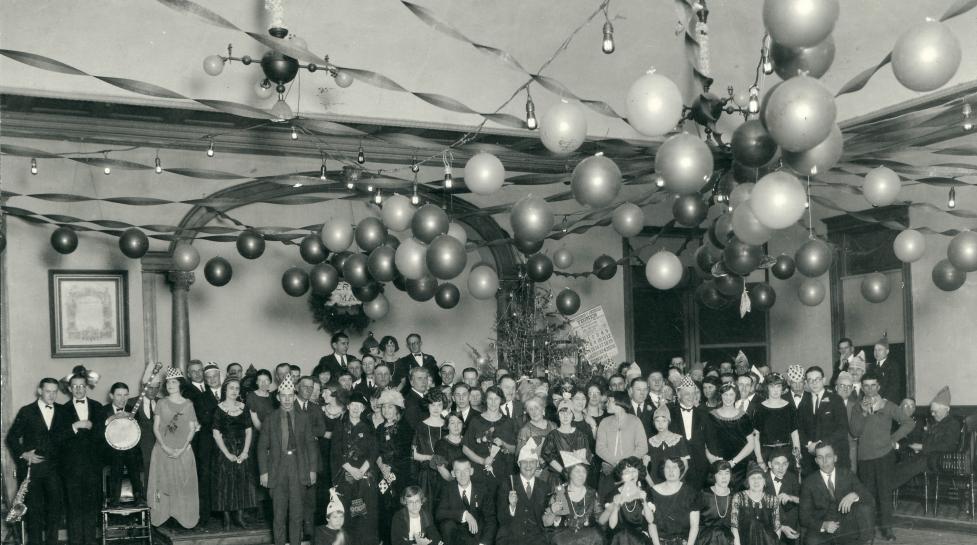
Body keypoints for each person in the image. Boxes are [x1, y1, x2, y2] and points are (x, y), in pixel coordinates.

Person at [847, 371, 914, 541]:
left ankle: (887, 530)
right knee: (867, 496)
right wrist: (862, 412)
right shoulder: (856, 406)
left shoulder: (889, 405)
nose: (869, 389)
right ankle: (867, 531)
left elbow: (909, 423)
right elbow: (855, 431)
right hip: (865, 458)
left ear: (878, 386)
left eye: (873, 385)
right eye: (866, 386)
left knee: (885, 495)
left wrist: (893, 438)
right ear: (862, 387)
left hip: (885, 456)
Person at [258, 375, 320, 545]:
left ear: (294, 396)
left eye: (290, 396)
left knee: (297, 514)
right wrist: (264, 473)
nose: (287, 400)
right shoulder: (270, 419)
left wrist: (312, 470)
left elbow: (310, 446)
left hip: (298, 468)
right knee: (278, 514)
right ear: (278, 397)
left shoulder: (303, 418)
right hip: (277, 469)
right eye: (283, 396)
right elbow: (262, 448)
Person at [7, 377, 69, 545]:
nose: (51, 395)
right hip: (33, 471)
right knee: (34, 514)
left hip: (55, 471)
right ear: (40, 391)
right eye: (48, 391)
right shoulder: (26, 411)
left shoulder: (62, 411)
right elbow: (11, 438)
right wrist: (24, 454)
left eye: (54, 392)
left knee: (55, 513)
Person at [148, 367, 199, 528]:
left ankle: (182, 517)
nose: (170, 385)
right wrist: (165, 447)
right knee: (163, 483)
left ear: (180, 385)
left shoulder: (188, 404)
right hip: (163, 450)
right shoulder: (161, 403)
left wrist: (183, 449)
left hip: (183, 450)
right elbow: (156, 428)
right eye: (168, 382)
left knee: (183, 484)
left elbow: (192, 429)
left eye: (174, 382)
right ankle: (163, 516)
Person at [58, 372, 103, 545]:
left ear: (87, 387)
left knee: (92, 509)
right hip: (71, 469)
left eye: (82, 386)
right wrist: (75, 427)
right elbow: (58, 438)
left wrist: (93, 427)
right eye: (75, 386)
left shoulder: (98, 407)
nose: (78, 389)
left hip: (92, 467)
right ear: (69, 389)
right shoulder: (61, 410)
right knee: (73, 510)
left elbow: (103, 436)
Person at [799, 442, 873, 545]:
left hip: (847, 526)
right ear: (816, 461)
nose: (825, 461)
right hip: (823, 527)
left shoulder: (847, 474)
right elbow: (804, 517)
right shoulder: (809, 482)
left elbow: (869, 497)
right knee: (811, 542)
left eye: (828, 456)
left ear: (835, 458)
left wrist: (854, 495)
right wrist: (824, 525)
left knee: (865, 509)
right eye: (820, 457)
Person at [332, 392, 380, 545]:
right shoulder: (340, 427)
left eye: (359, 406)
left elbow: (373, 452)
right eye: (353, 405)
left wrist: (362, 470)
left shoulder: (368, 428)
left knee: (363, 515)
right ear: (348, 406)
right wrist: (351, 470)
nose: (355, 409)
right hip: (345, 476)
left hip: (364, 478)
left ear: (363, 409)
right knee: (346, 514)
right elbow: (335, 452)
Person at [891, 386, 962, 489]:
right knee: (905, 463)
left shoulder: (953, 424)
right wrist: (919, 447)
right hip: (929, 456)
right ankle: (885, 486)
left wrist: (922, 447)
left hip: (943, 460)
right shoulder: (936, 423)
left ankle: (885, 488)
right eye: (932, 411)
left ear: (946, 409)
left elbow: (947, 445)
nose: (932, 414)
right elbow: (929, 441)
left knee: (915, 463)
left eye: (935, 412)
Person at [212, 377, 257, 529]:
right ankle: (226, 518)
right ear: (225, 389)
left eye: (237, 388)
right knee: (224, 485)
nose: (234, 391)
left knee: (241, 483)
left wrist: (245, 452)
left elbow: (249, 431)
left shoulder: (244, 407)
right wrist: (226, 453)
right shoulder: (218, 409)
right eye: (231, 388)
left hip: (241, 449)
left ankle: (239, 516)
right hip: (224, 450)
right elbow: (216, 433)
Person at [496, 440, 552, 545]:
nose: (528, 466)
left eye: (532, 462)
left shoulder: (544, 487)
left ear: (537, 464)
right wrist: (511, 506)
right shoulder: (507, 484)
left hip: (536, 539)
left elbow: (546, 522)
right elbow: (501, 519)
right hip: (511, 538)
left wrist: (553, 515)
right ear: (518, 464)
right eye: (524, 462)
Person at [797, 367, 849, 476]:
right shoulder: (803, 403)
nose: (814, 383)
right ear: (806, 382)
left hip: (834, 455)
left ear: (824, 380)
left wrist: (820, 444)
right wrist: (809, 444)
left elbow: (842, 429)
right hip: (812, 458)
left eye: (817, 379)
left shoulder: (836, 400)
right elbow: (800, 429)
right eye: (810, 380)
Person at [101, 382, 147, 506]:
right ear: (111, 396)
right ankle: (114, 499)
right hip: (109, 451)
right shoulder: (103, 410)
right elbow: (98, 433)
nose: (123, 399)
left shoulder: (133, 410)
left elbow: (137, 434)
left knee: (131, 453)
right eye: (119, 395)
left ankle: (139, 497)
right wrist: (112, 418)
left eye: (125, 395)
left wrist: (133, 422)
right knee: (118, 455)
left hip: (130, 449)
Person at [596, 392, 648, 499]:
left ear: (618, 402)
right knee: (607, 505)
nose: (606, 404)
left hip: (630, 473)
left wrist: (626, 464)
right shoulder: (604, 422)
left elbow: (643, 447)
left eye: (609, 401)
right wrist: (616, 463)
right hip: (608, 473)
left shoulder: (635, 421)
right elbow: (599, 448)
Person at [463, 386, 517, 489]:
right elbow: (465, 448)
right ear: (485, 400)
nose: (493, 402)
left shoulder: (508, 422)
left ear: (501, 400)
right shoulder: (475, 421)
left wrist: (504, 444)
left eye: (496, 399)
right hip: (480, 472)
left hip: (503, 472)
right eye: (490, 399)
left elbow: (514, 450)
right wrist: (482, 461)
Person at [544, 453, 604, 545]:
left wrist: (610, 511)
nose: (581, 475)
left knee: (598, 536)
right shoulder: (559, 493)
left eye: (584, 471)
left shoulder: (592, 493)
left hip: (588, 538)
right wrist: (552, 511)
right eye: (577, 471)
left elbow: (601, 519)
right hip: (564, 538)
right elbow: (546, 523)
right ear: (569, 473)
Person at [435, 457, 497, 545]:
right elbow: (439, 513)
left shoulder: (482, 489)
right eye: (458, 471)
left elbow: (491, 519)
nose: (462, 475)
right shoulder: (447, 490)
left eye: (466, 470)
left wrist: (483, 543)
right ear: (453, 473)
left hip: (477, 537)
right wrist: (464, 514)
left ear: (471, 471)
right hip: (456, 539)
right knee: (446, 524)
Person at [705, 383, 756, 489]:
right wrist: (712, 459)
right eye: (725, 395)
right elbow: (706, 442)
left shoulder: (744, 417)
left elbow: (751, 444)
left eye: (731, 394)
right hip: (718, 464)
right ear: (720, 396)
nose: (728, 398)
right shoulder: (711, 416)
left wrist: (733, 462)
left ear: (736, 395)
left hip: (739, 465)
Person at [599, 457, 655, 545]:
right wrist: (616, 506)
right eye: (627, 472)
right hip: (619, 538)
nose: (631, 475)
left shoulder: (645, 492)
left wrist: (644, 502)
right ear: (621, 475)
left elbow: (651, 520)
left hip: (640, 538)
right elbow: (612, 525)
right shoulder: (613, 495)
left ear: (639, 473)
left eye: (634, 471)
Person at [192, 362, 222, 525]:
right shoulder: (200, 397)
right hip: (207, 441)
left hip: (227, 442)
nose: (211, 379)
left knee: (224, 476)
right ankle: (205, 514)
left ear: (220, 376)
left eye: (214, 376)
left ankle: (222, 512)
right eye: (208, 377)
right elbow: (204, 419)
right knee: (205, 476)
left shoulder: (229, 393)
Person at [751, 373, 800, 472]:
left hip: (786, 453)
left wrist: (797, 457)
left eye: (778, 386)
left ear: (783, 388)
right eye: (772, 386)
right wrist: (760, 460)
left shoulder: (790, 407)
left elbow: (794, 434)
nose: (775, 390)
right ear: (767, 388)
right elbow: (756, 437)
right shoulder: (759, 408)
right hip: (766, 454)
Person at [297, 376, 328, 535]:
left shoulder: (315, 408)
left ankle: (308, 528)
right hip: (293, 459)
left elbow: (321, 430)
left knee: (310, 496)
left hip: (311, 459)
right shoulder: (289, 404)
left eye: (311, 387)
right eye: (305, 387)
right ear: (297, 387)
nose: (308, 390)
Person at [669, 376, 709, 490]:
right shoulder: (670, 412)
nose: (691, 397)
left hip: (700, 465)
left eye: (694, 393)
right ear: (679, 394)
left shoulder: (704, 414)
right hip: (677, 463)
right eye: (687, 393)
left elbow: (711, 442)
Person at [649, 457, 701, 545]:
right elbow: (651, 524)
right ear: (663, 470)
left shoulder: (691, 492)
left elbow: (694, 526)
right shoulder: (652, 492)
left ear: (680, 470)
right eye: (667, 467)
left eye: (674, 467)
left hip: (684, 541)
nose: (671, 471)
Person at [543, 399, 594, 485]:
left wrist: (576, 475)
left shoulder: (581, 436)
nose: (565, 416)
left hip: (578, 478)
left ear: (573, 415)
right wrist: (564, 472)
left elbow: (587, 458)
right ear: (558, 415)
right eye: (562, 413)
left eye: (569, 413)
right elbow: (548, 455)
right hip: (558, 479)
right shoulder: (552, 435)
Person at [729, 463, 780, 545]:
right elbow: (734, 526)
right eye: (753, 478)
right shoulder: (738, 497)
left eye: (759, 478)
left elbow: (777, 527)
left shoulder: (772, 500)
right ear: (747, 482)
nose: (756, 481)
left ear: (764, 481)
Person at [415, 390, 448, 501]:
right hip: (426, 475)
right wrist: (430, 458)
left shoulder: (448, 425)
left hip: (445, 472)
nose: (436, 408)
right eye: (432, 405)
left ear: (443, 406)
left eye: (439, 405)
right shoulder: (420, 426)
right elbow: (414, 454)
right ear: (427, 406)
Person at [645, 405, 689, 486]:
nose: (660, 424)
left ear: (668, 421)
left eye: (664, 421)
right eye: (657, 421)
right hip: (656, 483)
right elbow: (644, 467)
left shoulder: (678, 439)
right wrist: (652, 485)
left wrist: (676, 483)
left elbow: (685, 466)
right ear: (654, 423)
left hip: (676, 483)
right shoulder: (650, 441)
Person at [763, 452, 800, 543]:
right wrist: (780, 527)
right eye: (777, 463)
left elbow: (805, 501)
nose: (781, 468)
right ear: (769, 464)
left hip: (790, 527)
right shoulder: (760, 479)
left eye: (784, 464)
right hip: (767, 527)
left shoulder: (792, 478)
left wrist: (791, 498)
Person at [697, 462, 734, 545]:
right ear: (714, 475)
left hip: (728, 540)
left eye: (727, 473)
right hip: (706, 539)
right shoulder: (704, 494)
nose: (724, 477)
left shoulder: (734, 495)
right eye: (720, 473)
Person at [833, 372, 860, 471]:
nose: (846, 389)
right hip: (832, 448)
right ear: (836, 387)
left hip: (851, 448)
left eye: (849, 386)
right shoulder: (827, 404)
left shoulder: (856, 406)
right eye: (842, 385)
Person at [517, 396, 556, 464]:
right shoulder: (525, 430)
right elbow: (519, 456)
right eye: (531, 409)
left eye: (536, 408)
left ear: (543, 409)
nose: (534, 412)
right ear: (527, 412)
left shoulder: (553, 426)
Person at [434, 413, 467, 485]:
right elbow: (441, 469)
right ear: (447, 426)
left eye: (459, 422)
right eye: (452, 423)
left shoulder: (468, 442)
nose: (456, 426)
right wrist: (456, 484)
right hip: (448, 483)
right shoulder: (440, 444)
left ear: (463, 425)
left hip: (467, 482)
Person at [869, 338, 904, 403]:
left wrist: (884, 400)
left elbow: (894, 386)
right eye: (875, 350)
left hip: (888, 402)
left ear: (887, 351)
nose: (877, 353)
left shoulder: (893, 365)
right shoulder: (871, 367)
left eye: (880, 350)